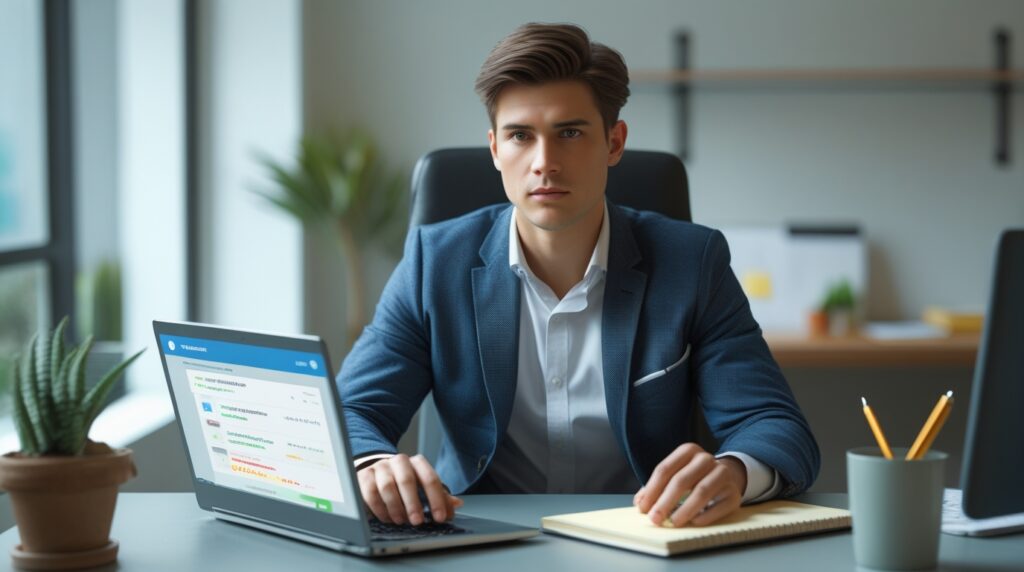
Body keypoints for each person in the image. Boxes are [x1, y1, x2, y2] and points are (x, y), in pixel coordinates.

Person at [338, 22, 819, 529]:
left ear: (614, 143)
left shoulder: (691, 262)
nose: (544, 163)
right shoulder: (433, 263)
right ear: (495, 149)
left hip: (642, 536)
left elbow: (775, 426)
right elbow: (350, 413)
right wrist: (372, 466)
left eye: (570, 133)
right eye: (520, 136)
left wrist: (735, 472)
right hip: (475, 534)